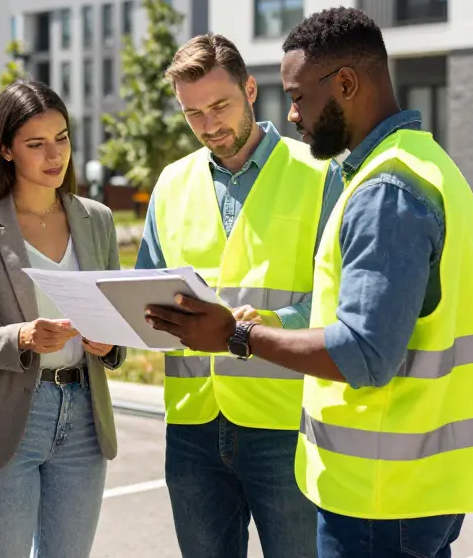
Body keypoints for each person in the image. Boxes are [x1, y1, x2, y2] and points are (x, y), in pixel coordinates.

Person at [143, 7, 473, 558]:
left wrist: (238, 335)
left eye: (299, 97)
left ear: (346, 84)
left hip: (378, 485)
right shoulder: (419, 165)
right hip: (404, 480)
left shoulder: (382, 188)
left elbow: (364, 352)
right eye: (193, 112)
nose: (292, 114)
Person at [135, 34, 341, 558]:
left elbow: (338, 301)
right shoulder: (170, 184)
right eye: (193, 113)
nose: (209, 125)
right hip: (192, 425)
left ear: (250, 90)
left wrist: (266, 323)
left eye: (220, 106)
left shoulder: (320, 173)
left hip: (285, 423)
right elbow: (146, 293)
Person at [0, 80, 125, 558]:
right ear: (5, 149)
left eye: (61, 138)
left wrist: (110, 344)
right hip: (4, 420)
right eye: (36, 143)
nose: (54, 154)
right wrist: (20, 337)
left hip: (84, 417)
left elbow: (116, 316)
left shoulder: (97, 219)